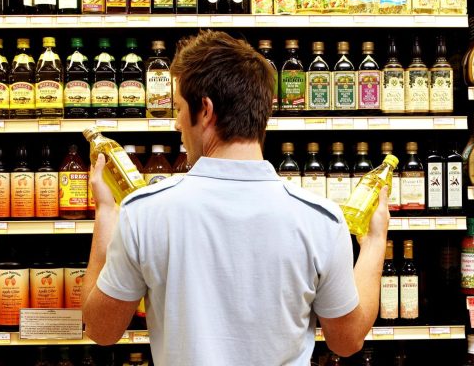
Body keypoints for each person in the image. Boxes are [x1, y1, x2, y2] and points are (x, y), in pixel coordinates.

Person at [81, 30, 389, 365]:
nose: (176, 124)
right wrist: (374, 241)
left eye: (179, 109)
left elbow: (101, 328)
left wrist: (107, 213)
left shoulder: (144, 213)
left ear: (206, 110)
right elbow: (347, 341)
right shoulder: (321, 220)